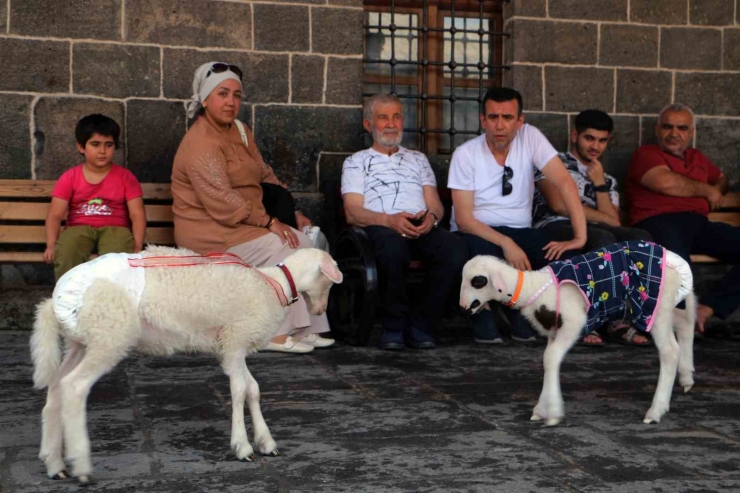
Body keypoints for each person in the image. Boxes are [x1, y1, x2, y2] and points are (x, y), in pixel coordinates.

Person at [171, 61, 332, 354]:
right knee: (285, 248)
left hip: (244, 224)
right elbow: (222, 201)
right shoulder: (200, 142)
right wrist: (270, 222)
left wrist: (290, 211)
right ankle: (274, 333)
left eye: (237, 95)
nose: (231, 102)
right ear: (205, 99)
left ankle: (308, 327)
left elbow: (264, 173)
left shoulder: (241, 131)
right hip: (211, 230)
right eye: (223, 94)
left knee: (304, 242)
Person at [448, 87, 587, 344]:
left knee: (569, 259)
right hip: (477, 230)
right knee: (487, 256)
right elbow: (465, 219)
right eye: (493, 117)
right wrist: (506, 243)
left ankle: (554, 317)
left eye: (508, 118)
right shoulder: (465, 154)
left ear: (520, 121)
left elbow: (565, 183)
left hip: (521, 231)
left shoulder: (530, 137)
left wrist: (579, 237)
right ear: (483, 120)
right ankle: (484, 311)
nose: (500, 126)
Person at [341, 94, 468, 350]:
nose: (391, 123)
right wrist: (389, 221)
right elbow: (352, 212)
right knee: (393, 250)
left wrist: (431, 219)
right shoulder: (356, 162)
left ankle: (421, 324)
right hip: (380, 227)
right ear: (369, 125)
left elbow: (435, 205)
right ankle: (394, 326)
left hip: (419, 224)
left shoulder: (417, 159)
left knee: (454, 249)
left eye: (397, 116)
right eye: (383, 117)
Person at [532, 109, 652, 347]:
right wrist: (603, 217)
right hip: (555, 226)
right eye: (589, 138)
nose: (595, 146)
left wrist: (599, 184)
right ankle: (592, 322)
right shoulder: (551, 162)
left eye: (602, 140)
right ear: (575, 135)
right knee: (603, 238)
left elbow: (615, 221)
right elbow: (559, 206)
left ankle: (627, 318)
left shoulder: (606, 179)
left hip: (597, 228)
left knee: (641, 238)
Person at [627, 103, 739, 336]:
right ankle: (676, 325)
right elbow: (665, 183)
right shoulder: (645, 154)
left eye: (681, 127)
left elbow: (722, 178)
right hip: (659, 221)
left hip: (698, 224)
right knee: (679, 265)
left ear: (691, 133)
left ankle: (707, 309)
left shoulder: (697, 157)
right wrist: (708, 192)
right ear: (657, 129)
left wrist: (717, 188)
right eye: (667, 126)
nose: (674, 133)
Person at [44, 114, 146, 281]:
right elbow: (54, 215)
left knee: (117, 256)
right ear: (81, 147)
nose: (102, 151)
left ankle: (111, 300)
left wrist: (137, 246)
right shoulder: (70, 177)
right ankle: (68, 299)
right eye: (95, 144)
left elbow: (137, 214)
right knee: (67, 250)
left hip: (115, 228)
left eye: (109, 145)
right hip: (78, 228)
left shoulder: (125, 177)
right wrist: (51, 245)